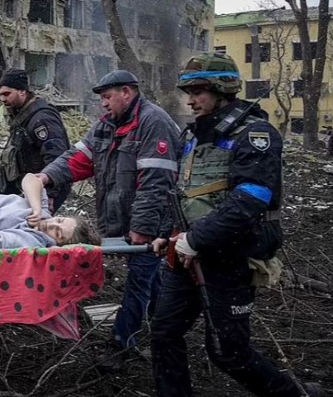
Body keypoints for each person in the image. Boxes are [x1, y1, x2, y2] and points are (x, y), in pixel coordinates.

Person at [149, 53, 324, 397]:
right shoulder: (194, 136)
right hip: (186, 255)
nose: (190, 100)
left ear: (222, 90)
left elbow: (251, 199)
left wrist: (195, 239)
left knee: (228, 352)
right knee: (163, 333)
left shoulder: (255, 134)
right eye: (189, 92)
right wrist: (166, 233)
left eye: (198, 92)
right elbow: (184, 193)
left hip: (230, 257)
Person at [37, 69, 181, 370]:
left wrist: (142, 228)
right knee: (151, 278)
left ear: (126, 92)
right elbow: (78, 159)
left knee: (139, 281)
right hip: (124, 220)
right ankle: (165, 326)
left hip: (153, 222)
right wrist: (46, 177)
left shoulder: (154, 123)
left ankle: (121, 343)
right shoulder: (106, 126)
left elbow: (156, 182)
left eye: (107, 97)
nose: (103, 104)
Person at [0, 68, 71, 214]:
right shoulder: (22, 116)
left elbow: (56, 157)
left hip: (40, 190)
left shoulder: (41, 118)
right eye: (0, 95)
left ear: (22, 92)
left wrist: (50, 194)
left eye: (7, 94)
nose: (2, 99)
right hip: (25, 188)